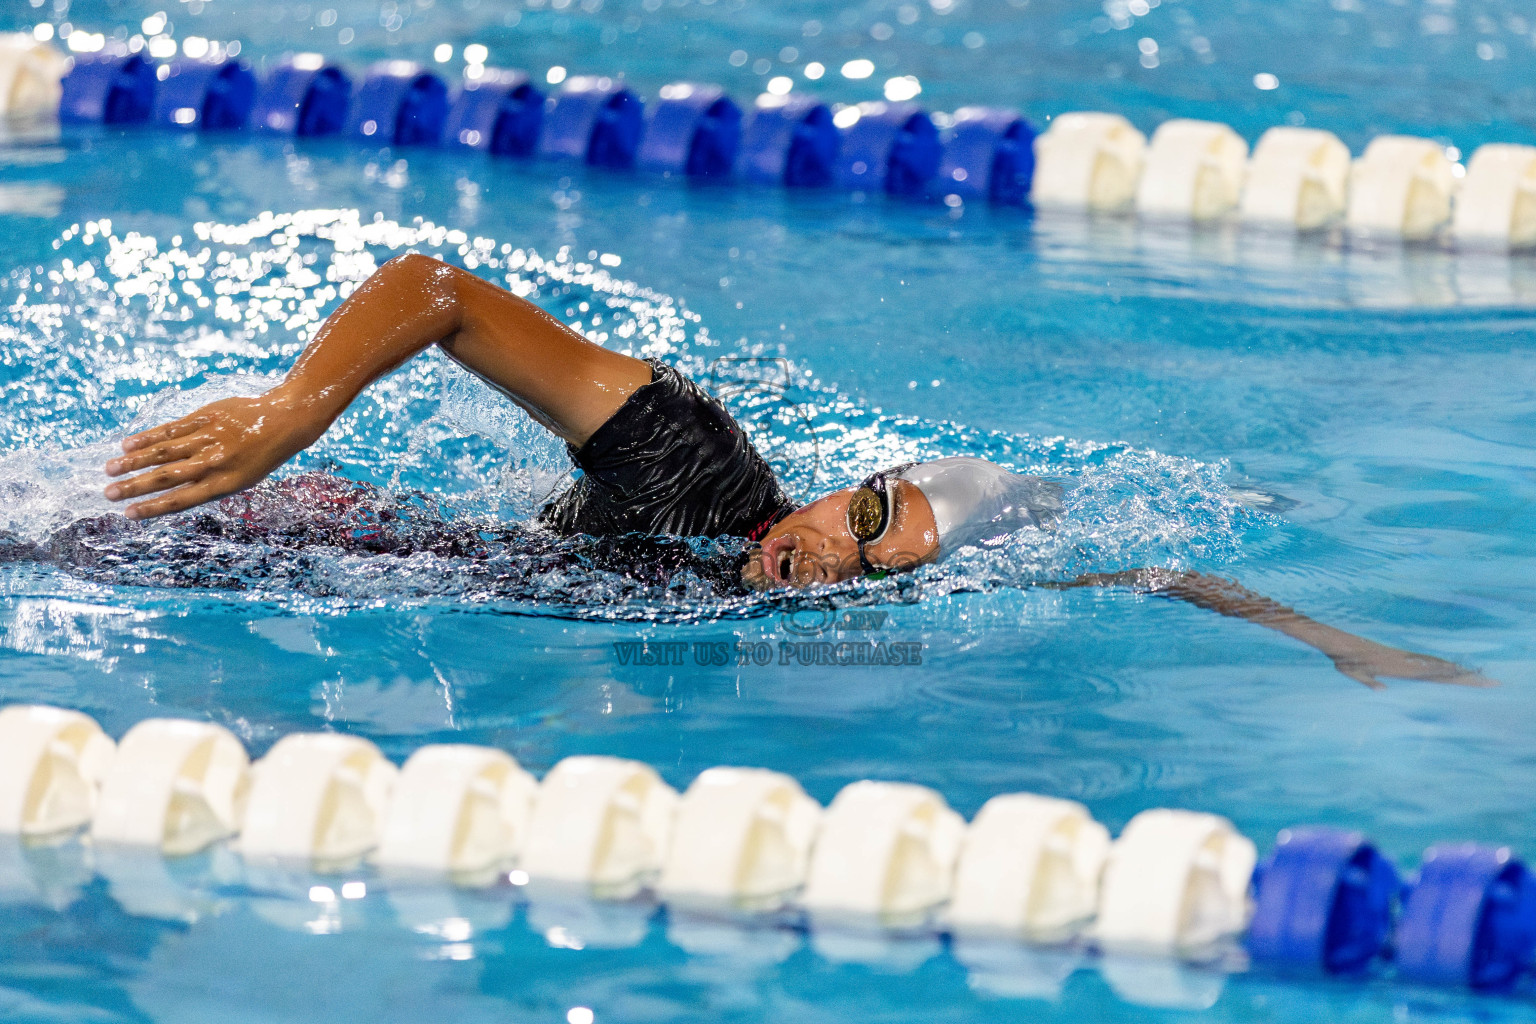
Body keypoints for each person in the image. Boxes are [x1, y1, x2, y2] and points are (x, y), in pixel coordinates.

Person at [100, 253, 1489, 688]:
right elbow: (436, 290)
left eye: (880, 567)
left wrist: (1324, 637)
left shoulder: (813, 598)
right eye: (865, 517)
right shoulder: (704, 476)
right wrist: (291, 414)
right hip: (257, 532)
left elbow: (1137, 569)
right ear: (849, 482)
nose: (836, 556)